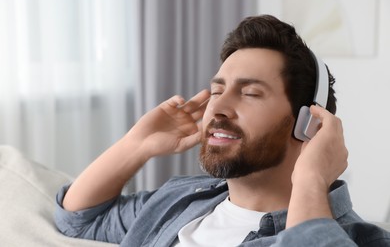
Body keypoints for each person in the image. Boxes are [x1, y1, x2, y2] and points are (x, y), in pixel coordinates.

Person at [54, 15, 390, 246]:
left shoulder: (359, 238)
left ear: (309, 125)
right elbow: (79, 220)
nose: (218, 107)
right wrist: (137, 144)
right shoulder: (180, 200)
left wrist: (311, 182)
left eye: (250, 93)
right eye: (217, 90)